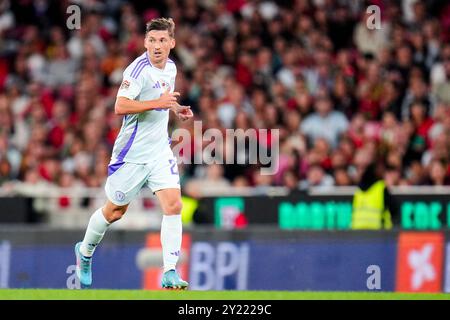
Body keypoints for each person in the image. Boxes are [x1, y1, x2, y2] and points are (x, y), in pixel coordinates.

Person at [74, 18, 193, 289]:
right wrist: (159, 103)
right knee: (114, 211)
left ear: (172, 43)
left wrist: (175, 109)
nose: (157, 46)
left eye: (162, 40)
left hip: (159, 151)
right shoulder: (137, 70)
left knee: (174, 205)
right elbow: (120, 106)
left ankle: (170, 271)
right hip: (131, 154)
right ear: (145, 43)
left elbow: (162, 102)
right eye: (152, 40)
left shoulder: (171, 68)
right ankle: (85, 251)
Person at [351, 163, 397, 230]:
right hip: (378, 232)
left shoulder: (358, 190)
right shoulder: (381, 187)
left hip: (357, 231)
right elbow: (394, 209)